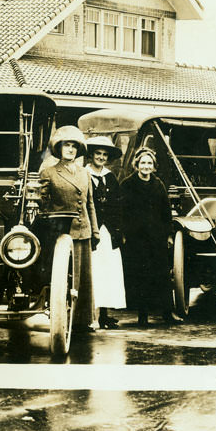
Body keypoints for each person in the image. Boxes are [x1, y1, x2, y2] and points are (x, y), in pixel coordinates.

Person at [39, 126, 99, 332]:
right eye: (67, 145)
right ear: (59, 148)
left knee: (84, 277)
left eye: (74, 146)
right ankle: (63, 320)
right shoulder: (48, 172)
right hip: (62, 234)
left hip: (84, 230)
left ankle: (83, 321)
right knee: (65, 278)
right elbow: (43, 204)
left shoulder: (85, 173)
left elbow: (90, 204)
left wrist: (96, 231)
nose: (71, 149)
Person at [120, 148, 175, 326]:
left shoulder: (158, 184)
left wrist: (168, 235)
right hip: (136, 238)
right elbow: (122, 212)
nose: (146, 166)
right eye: (143, 163)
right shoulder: (127, 184)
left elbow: (166, 212)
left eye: (149, 163)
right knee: (140, 275)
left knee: (161, 275)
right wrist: (124, 233)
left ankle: (167, 313)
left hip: (156, 237)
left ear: (154, 166)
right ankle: (142, 316)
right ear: (136, 165)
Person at [86, 136, 126, 329]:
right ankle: (90, 315)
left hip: (108, 232)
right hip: (91, 230)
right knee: (92, 271)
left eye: (104, 155)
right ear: (91, 155)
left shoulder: (110, 177)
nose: (101, 157)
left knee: (107, 272)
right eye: (98, 153)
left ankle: (104, 315)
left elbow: (118, 206)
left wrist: (117, 230)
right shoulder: (84, 175)